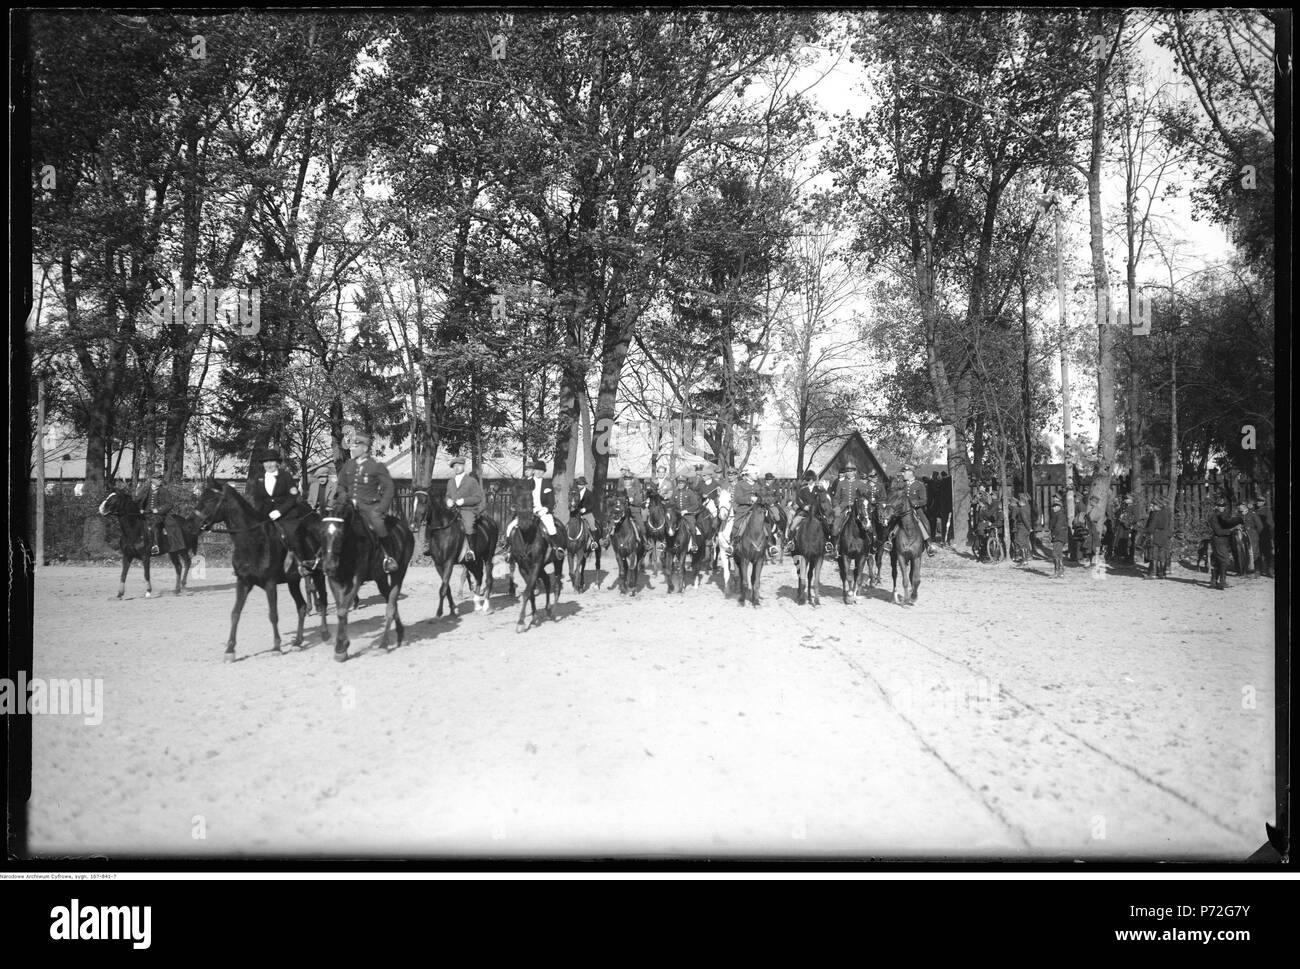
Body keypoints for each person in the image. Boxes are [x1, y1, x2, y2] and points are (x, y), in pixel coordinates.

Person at [334, 432, 403, 572]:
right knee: (333, 524)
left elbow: (389, 487)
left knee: (377, 522)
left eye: (355, 446)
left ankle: (388, 557)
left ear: (365, 448)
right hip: (349, 506)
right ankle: (329, 557)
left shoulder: (376, 466)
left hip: (370, 506)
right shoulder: (348, 466)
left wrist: (382, 507)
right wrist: (343, 496)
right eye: (352, 446)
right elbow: (341, 485)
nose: (352, 448)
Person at [249, 448, 317, 569]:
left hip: (286, 514)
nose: (269, 465)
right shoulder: (259, 478)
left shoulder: (285, 476)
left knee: (292, 534)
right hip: (266, 514)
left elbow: (293, 497)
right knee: (252, 532)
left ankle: (302, 564)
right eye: (266, 462)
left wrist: (279, 512)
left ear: (277, 463)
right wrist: (260, 513)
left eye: (272, 461)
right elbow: (257, 498)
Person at [504, 460, 560, 556]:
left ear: (544, 472)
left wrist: (545, 510)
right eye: (537, 470)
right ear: (533, 471)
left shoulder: (547, 484)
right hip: (526, 511)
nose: (539, 472)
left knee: (551, 527)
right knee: (510, 527)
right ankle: (509, 549)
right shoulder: (525, 483)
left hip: (542, 511)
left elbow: (551, 502)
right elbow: (519, 497)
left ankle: (556, 549)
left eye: (542, 471)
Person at [134, 471, 188, 556]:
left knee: (153, 524)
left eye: (160, 479)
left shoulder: (164, 491)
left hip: (158, 515)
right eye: (158, 479)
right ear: (152, 480)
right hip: (145, 513)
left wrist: (158, 510)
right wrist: (139, 509)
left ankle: (155, 546)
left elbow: (169, 504)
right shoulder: (145, 490)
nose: (160, 480)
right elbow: (137, 500)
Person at [444, 455, 485, 564]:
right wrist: (447, 501)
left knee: (468, 525)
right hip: (452, 510)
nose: (456, 468)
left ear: (463, 466)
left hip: (468, 509)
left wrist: (464, 501)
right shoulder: (450, 482)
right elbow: (447, 495)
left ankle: (470, 551)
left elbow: (478, 497)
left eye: (459, 465)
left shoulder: (471, 481)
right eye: (454, 466)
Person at [882, 463, 931, 554]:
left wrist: (914, 503)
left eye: (905, 472)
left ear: (911, 472)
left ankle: (928, 544)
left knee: (925, 523)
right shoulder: (900, 485)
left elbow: (924, 500)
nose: (903, 474)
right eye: (903, 472)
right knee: (891, 523)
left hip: (915, 510)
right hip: (901, 510)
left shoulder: (919, 485)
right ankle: (888, 542)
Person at [1206, 495, 1244, 590]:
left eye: (1223, 506)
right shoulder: (1214, 517)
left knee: (1219, 561)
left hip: (1224, 541)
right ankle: (1222, 582)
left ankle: (1214, 581)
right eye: (1220, 506)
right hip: (1218, 540)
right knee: (1225, 561)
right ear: (1216, 506)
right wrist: (1233, 529)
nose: (1222, 508)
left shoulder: (1223, 516)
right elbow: (1218, 531)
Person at [829, 461, 867, 555]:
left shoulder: (860, 483)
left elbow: (864, 497)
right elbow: (836, 498)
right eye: (847, 471)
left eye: (851, 471)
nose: (849, 473)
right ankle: (835, 547)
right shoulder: (841, 483)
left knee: (867, 526)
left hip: (857, 508)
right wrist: (837, 508)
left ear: (855, 472)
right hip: (843, 508)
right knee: (835, 527)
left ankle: (869, 547)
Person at [784, 469, 819, 552]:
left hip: (816, 512)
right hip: (804, 512)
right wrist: (804, 507)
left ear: (813, 479)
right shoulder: (803, 489)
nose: (808, 481)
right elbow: (798, 500)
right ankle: (790, 542)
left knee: (825, 523)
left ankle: (828, 542)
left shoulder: (818, 489)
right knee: (793, 524)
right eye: (807, 480)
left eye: (809, 480)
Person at [615, 466, 646, 545]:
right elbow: (616, 499)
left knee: (641, 525)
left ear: (632, 480)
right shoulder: (620, 490)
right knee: (612, 524)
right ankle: (608, 540)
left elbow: (639, 501)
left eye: (629, 480)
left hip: (634, 511)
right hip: (622, 511)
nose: (627, 481)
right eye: (625, 480)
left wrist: (633, 501)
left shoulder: (636, 490)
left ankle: (646, 542)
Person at [1144, 495, 1172, 579]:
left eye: (1153, 505)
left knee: (1154, 555)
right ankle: (1162, 573)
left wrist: (1145, 531)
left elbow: (1151, 528)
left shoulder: (1156, 514)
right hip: (1164, 535)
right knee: (1162, 555)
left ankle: (1152, 573)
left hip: (1156, 536)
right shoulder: (1167, 512)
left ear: (1158, 505)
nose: (1151, 507)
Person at [571, 475, 601, 551]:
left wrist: (585, 509)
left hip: (587, 513)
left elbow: (592, 504)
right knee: (569, 524)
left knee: (592, 525)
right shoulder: (574, 492)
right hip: (576, 513)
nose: (579, 486)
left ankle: (594, 542)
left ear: (584, 485)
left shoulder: (589, 493)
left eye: (581, 484)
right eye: (578, 484)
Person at [1048, 496, 1069, 577]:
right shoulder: (1058, 514)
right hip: (1060, 536)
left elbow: (1058, 527)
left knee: (1055, 553)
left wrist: (1053, 535)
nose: (1053, 508)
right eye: (1053, 506)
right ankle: (1060, 571)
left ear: (1059, 507)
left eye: (1055, 506)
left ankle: (1057, 571)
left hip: (1059, 536)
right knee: (1058, 554)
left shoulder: (1060, 515)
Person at [1255, 496, 1274, 578]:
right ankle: (1258, 570)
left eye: (1260, 501)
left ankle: (1269, 570)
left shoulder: (1267, 510)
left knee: (1267, 553)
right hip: (1256, 535)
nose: (1258, 502)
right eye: (1258, 501)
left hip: (1265, 534)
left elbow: (1270, 523)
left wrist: (1270, 534)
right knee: (1257, 552)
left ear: (1264, 502)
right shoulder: (1255, 510)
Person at [1013, 492, 1034, 564]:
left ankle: (1024, 559)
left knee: (1019, 542)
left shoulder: (1022, 509)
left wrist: (1029, 528)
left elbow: (1024, 519)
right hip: (1026, 528)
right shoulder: (1028, 507)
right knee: (1025, 543)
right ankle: (1027, 557)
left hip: (1022, 527)